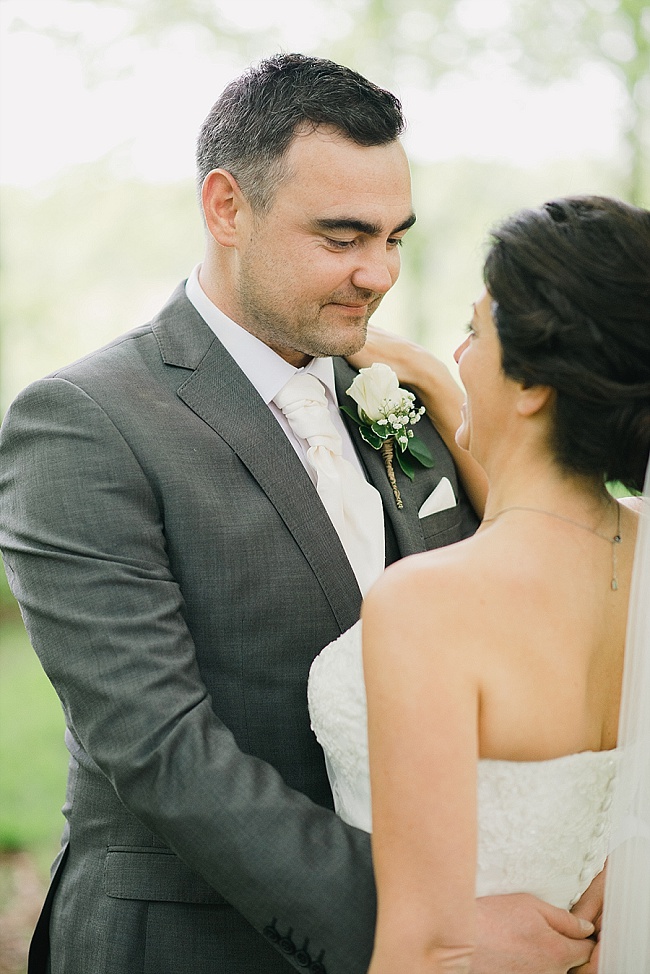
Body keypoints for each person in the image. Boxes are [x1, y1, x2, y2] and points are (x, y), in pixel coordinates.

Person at [0, 53, 599, 974]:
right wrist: (433, 922)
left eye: (395, 237)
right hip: (195, 946)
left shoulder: (397, 395)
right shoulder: (84, 423)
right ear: (226, 208)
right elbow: (162, 749)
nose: (379, 273)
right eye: (341, 236)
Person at [308, 195, 650, 973]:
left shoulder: (429, 605)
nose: (459, 353)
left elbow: (424, 951)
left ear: (533, 386)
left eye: (474, 333)